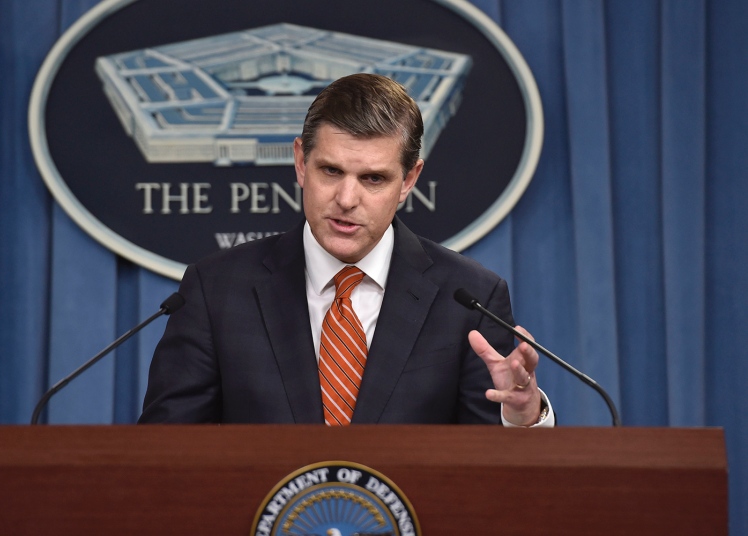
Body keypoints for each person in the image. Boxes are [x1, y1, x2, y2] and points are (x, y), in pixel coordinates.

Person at [139, 73, 553, 427]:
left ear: (409, 179)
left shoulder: (469, 298)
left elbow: (494, 479)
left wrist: (521, 417)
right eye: (331, 171)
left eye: (373, 179)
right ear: (301, 162)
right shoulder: (216, 290)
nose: (346, 198)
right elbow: (164, 455)